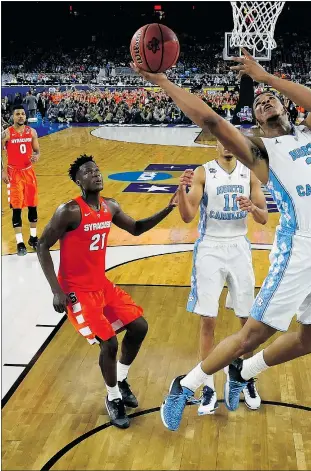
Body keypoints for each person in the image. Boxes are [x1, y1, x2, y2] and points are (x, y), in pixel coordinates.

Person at [131, 48, 311, 432]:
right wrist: (163, 82)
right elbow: (211, 121)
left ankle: (243, 372)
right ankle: (184, 385)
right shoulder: (260, 152)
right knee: (254, 333)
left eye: (270, 99)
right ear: (255, 122)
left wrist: (266, 78)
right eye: (259, 104)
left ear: (285, 105)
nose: (264, 101)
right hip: (300, 246)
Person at [36, 154, 178, 429]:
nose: (96, 175)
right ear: (79, 181)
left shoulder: (110, 206)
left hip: (101, 284)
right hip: (77, 291)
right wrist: (56, 291)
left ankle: (121, 380)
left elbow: (136, 229)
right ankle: (113, 398)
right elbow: (42, 245)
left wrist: (167, 209)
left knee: (139, 326)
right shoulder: (69, 211)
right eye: (88, 172)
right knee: (109, 343)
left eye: (98, 170)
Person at [176, 141, 268, 415]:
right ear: (215, 144)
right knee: (208, 320)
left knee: (247, 321)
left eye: (232, 143)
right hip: (210, 248)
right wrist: (181, 192)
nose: (227, 147)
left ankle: (245, 377)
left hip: (239, 245)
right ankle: (207, 386)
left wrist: (252, 208)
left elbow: (263, 218)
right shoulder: (203, 172)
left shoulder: (249, 172)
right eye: (222, 142)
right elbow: (187, 215)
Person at [1, 105, 41, 256]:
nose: (20, 116)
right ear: (12, 116)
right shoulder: (7, 133)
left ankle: (33, 238)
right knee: (17, 208)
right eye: (17, 114)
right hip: (14, 174)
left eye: (23, 114)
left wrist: (37, 156)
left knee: (33, 206)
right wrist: (2, 171)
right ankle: (20, 242)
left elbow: (37, 150)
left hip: (29, 173)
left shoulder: (32, 132)